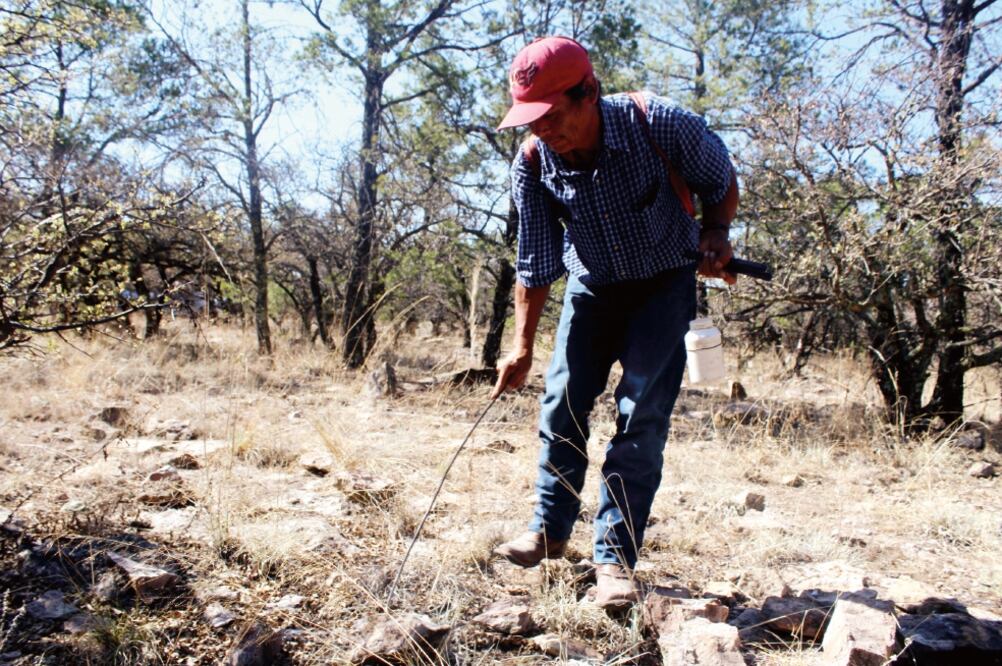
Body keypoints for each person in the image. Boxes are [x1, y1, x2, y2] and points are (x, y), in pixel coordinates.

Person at [489, 36, 739, 610]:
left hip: (663, 285)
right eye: (532, 119)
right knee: (561, 402)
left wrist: (717, 233)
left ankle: (614, 559)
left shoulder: (661, 124)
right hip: (592, 285)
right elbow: (535, 260)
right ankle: (549, 530)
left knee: (639, 416)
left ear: (590, 93)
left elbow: (721, 181)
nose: (544, 130)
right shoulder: (532, 162)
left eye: (553, 115)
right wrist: (521, 347)